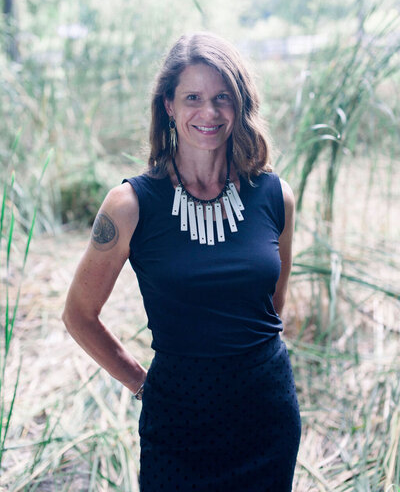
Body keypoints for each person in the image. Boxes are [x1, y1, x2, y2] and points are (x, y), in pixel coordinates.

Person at [63, 31, 301, 491]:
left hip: (266, 413)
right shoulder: (129, 204)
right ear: (168, 105)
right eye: (193, 97)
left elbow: (272, 307)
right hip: (178, 419)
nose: (209, 113)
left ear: (240, 104)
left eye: (222, 98)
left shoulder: (275, 195)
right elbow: (78, 315)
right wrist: (142, 385)